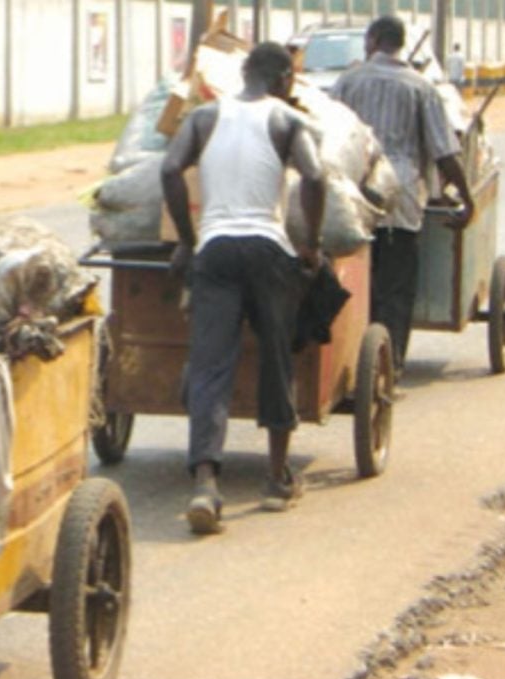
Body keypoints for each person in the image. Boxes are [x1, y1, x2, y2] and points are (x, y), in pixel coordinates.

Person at [162, 42, 327, 535]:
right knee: (277, 357)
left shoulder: (204, 117)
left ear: (245, 75)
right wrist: (313, 245)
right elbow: (315, 176)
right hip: (266, 250)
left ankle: (205, 486)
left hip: (215, 250)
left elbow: (170, 169)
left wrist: (188, 243)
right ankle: (276, 480)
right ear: (284, 81)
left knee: (211, 364)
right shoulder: (286, 121)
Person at [331, 16, 474, 378]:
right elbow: (444, 151)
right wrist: (466, 197)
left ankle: (349, 360)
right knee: (396, 286)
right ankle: (388, 366)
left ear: (374, 40)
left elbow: (328, 137)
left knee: (355, 280)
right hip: (402, 199)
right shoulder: (420, 87)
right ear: (399, 43)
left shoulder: (348, 82)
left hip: (353, 197)